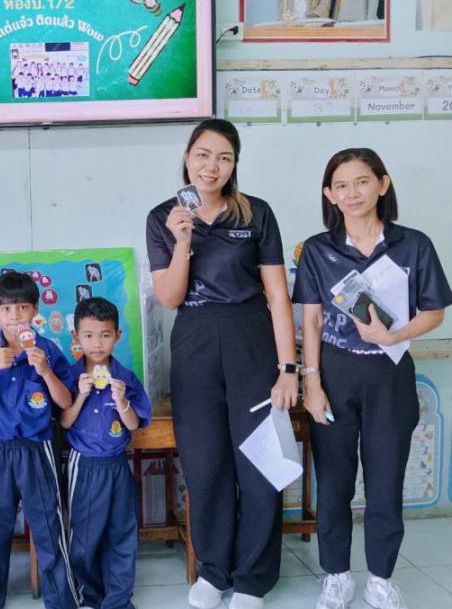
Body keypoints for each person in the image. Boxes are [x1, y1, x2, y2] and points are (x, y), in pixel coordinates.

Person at [145, 119, 298, 609]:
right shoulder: (163, 217)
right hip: (194, 340)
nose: (212, 166)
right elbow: (170, 298)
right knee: (205, 462)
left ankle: (253, 577)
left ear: (234, 164)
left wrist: (288, 367)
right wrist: (182, 241)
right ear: (188, 157)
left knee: (259, 462)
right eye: (203, 155)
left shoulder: (256, 213)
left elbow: (278, 295)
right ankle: (214, 571)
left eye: (224, 157)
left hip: (251, 338)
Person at [292, 148, 452, 609]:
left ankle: (380, 578)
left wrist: (393, 335)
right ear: (329, 194)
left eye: (362, 182)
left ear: (382, 184)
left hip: (390, 372)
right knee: (334, 482)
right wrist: (312, 382)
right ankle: (337, 575)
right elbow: (312, 321)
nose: (352, 193)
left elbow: (435, 312)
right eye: (341, 186)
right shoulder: (318, 250)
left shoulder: (413, 244)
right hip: (335, 372)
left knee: (385, 480)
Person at [0, 271, 79, 609]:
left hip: (37, 448)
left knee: (49, 529)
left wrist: (45, 371)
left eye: (22, 307)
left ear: (35, 309)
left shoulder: (48, 350)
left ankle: (62, 601)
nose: (15, 316)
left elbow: (66, 401)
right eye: (7, 309)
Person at [60, 297, 151, 609]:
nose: (97, 343)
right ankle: (90, 596)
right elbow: (64, 421)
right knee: (85, 535)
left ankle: (118, 599)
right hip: (84, 465)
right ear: (76, 336)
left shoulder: (125, 377)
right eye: (88, 335)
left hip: (116, 464)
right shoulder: (70, 375)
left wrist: (122, 401)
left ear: (117, 336)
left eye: (105, 335)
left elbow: (134, 424)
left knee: (122, 533)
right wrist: (80, 395)